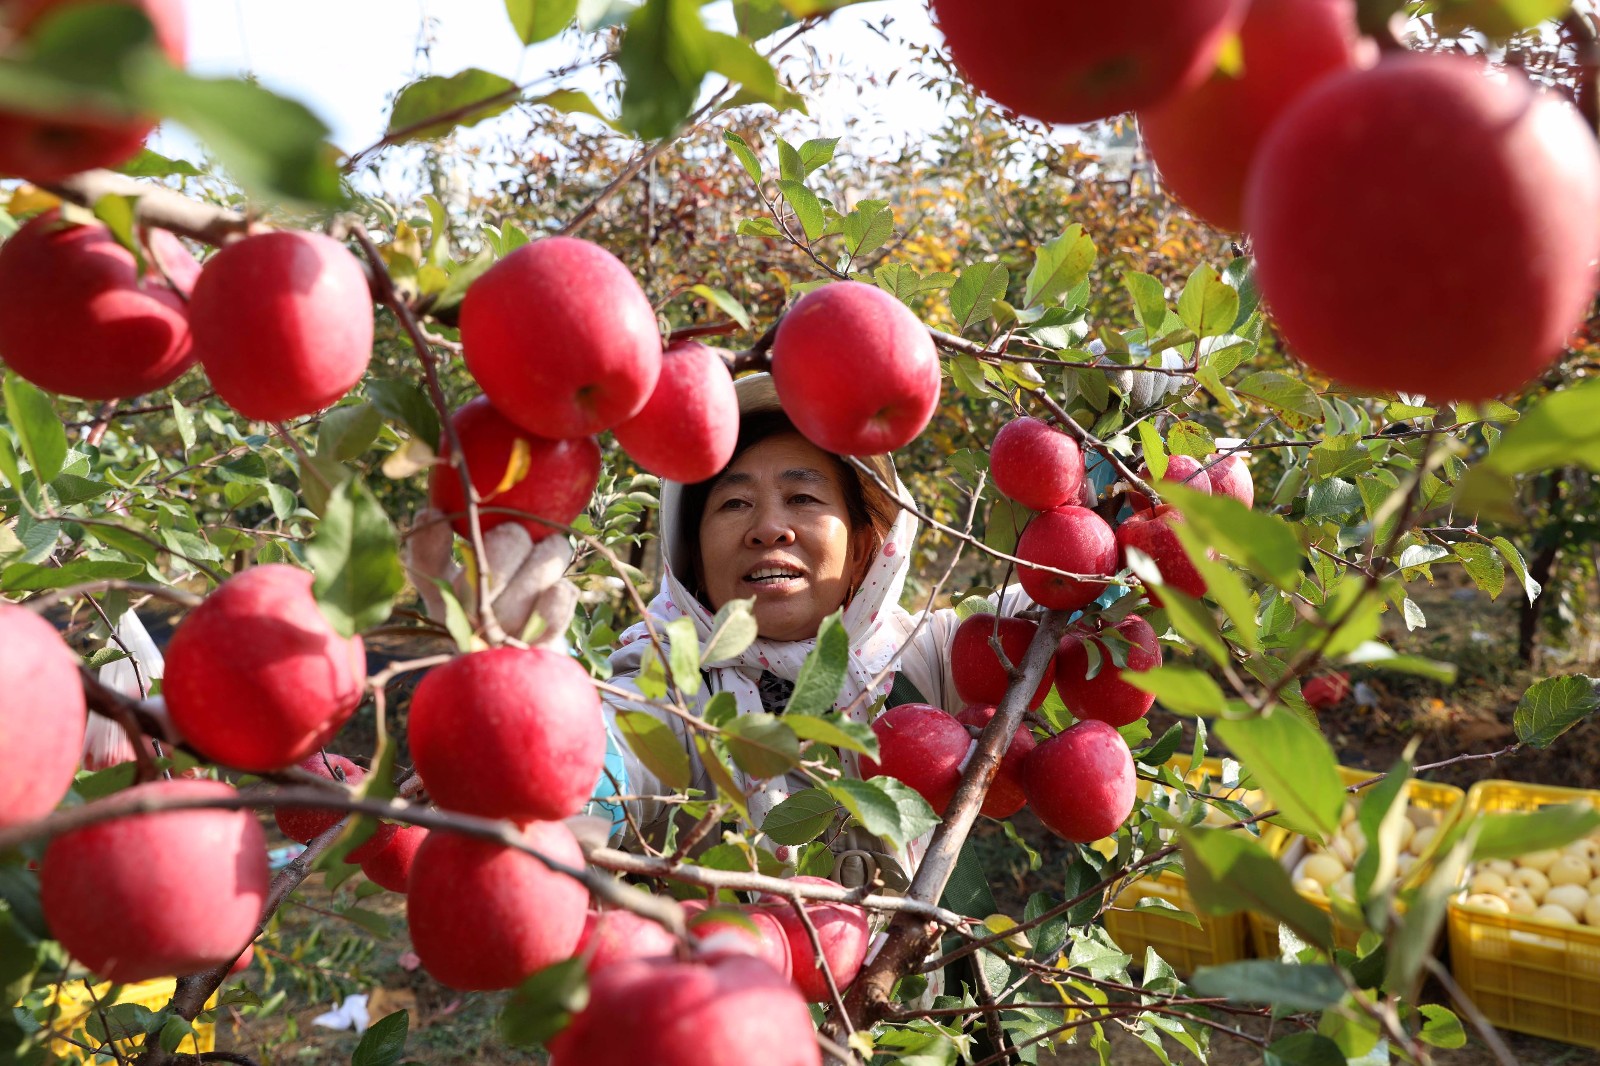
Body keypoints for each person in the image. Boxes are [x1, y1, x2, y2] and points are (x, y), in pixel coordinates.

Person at [591, 373, 1030, 892]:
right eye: (734, 503)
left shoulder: (923, 657)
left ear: (865, 545)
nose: (769, 527)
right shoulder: (673, 683)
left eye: (803, 496)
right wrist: (575, 790)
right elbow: (609, 751)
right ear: (693, 558)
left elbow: (1061, 602)